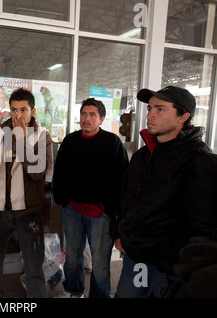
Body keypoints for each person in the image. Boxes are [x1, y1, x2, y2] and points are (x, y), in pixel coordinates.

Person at [115, 86, 217, 298]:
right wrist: (119, 234)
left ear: (183, 117)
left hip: (167, 266)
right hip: (135, 256)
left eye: (160, 109)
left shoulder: (201, 161)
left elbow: (201, 226)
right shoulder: (143, 155)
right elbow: (126, 198)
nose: (150, 115)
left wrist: (165, 255)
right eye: (150, 108)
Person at [0, 88, 54, 298]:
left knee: (33, 266)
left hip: (28, 213)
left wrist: (22, 139)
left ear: (33, 111)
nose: (18, 115)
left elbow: (37, 172)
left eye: (23, 109)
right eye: (14, 109)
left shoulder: (42, 136)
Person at [52, 98, 129, 298]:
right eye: (84, 114)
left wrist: (109, 209)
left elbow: (121, 180)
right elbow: (59, 173)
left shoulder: (112, 143)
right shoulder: (70, 141)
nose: (86, 119)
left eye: (92, 115)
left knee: (101, 262)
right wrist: (63, 200)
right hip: (72, 210)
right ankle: (73, 291)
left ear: (101, 119)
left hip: (101, 214)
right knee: (72, 259)